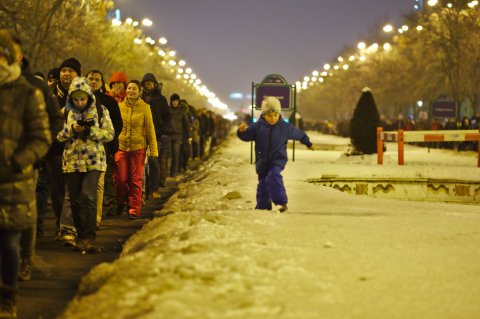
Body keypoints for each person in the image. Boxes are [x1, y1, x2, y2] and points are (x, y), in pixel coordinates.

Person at [0, 29, 51, 318]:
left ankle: (8, 293)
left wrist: (19, 162)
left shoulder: (27, 92)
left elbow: (41, 137)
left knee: (8, 244)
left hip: (13, 181)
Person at [56, 76, 114, 252]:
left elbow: (109, 134)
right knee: (75, 200)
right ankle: (80, 237)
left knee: (89, 196)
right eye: (76, 99)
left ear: (89, 96)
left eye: (83, 98)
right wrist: (71, 130)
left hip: (94, 160)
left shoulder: (100, 110)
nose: (80, 102)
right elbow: (57, 136)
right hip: (72, 161)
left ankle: (90, 238)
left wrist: (90, 131)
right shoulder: (65, 112)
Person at [237, 96, 313, 213]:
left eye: (275, 115)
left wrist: (307, 143)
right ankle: (262, 207)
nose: (273, 118)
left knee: (273, 175)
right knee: (263, 184)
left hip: (278, 159)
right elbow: (246, 136)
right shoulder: (257, 127)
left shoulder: (284, 127)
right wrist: (241, 132)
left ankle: (281, 202)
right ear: (263, 115)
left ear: (279, 114)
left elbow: (299, 134)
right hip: (262, 160)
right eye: (269, 115)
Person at [114, 80, 158, 219]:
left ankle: (134, 209)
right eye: (129, 88)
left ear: (139, 92)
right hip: (121, 147)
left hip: (138, 148)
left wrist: (154, 151)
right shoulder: (119, 106)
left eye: (134, 89)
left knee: (135, 180)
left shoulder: (145, 108)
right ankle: (122, 202)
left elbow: (150, 130)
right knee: (120, 179)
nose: (131, 91)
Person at [86, 70, 123, 225]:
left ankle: (95, 219)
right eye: (90, 79)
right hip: (77, 153)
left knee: (99, 185)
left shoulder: (109, 103)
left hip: (103, 149)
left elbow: (117, 125)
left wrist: (106, 139)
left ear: (102, 83)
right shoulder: (76, 98)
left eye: (96, 80)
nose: (93, 82)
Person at [140, 73, 172, 198]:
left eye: (150, 82)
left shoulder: (161, 99)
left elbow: (167, 116)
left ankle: (154, 189)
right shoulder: (139, 97)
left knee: (153, 161)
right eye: (146, 82)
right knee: (141, 163)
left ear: (155, 84)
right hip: (140, 134)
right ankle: (143, 190)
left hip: (155, 135)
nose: (148, 84)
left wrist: (161, 129)